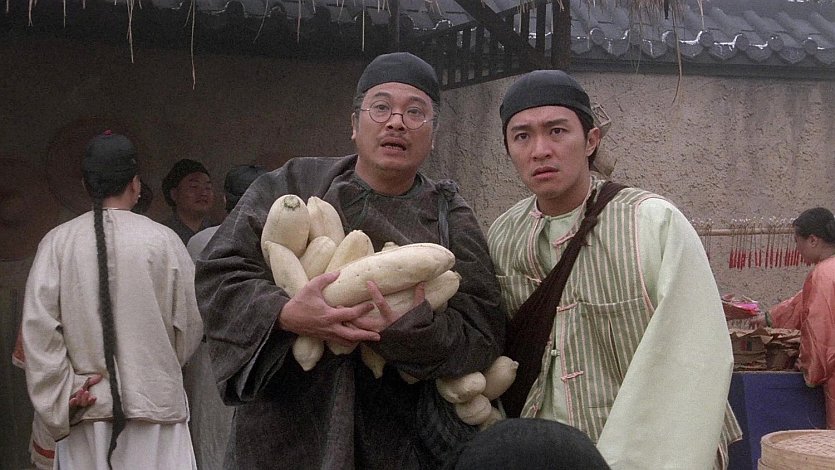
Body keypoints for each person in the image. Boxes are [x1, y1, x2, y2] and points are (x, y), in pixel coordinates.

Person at [194, 52, 505, 469]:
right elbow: (219, 275)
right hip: (287, 434)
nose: (396, 123)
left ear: (433, 135)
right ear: (354, 124)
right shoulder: (291, 184)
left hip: (401, 440)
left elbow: (483, 332)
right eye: (381, 107)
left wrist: (409, 331)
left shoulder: (452, 219)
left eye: (415, 112)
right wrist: (285, 313)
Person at [487, 70, 741, 469]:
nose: (540, 150)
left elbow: (691, 356)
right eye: (522, 136)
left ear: (591, 140)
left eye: (557, 131)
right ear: (508, 148)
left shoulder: (653, 224)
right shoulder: (503, 235)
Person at [21, 131, 204, 469]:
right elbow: (191, 324)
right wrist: (155, 366)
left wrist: (62, 394)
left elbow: (39, 332)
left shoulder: (57, 243)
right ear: (135, 185)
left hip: (87, 411)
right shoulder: (164, 241)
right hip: (157, 413)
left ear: (86, 186)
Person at [184, 164, 267, 470]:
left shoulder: (200, 241)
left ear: (223, 199)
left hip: (212, 358)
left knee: (213, 447)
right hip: (262, 356)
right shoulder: (279, 240)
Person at [767, 207, 835, 429]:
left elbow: (819, 331)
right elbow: (800, 302)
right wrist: (769, 318)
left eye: (797, 241)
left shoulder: (823, 275)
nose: (797, 249)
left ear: (813, 240)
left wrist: (809, 367)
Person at [162, 158, 215, 244]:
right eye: (194, 186)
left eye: (208, 188)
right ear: (174, 194)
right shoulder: (162, 233)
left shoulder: (219, 233)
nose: (204, 193)